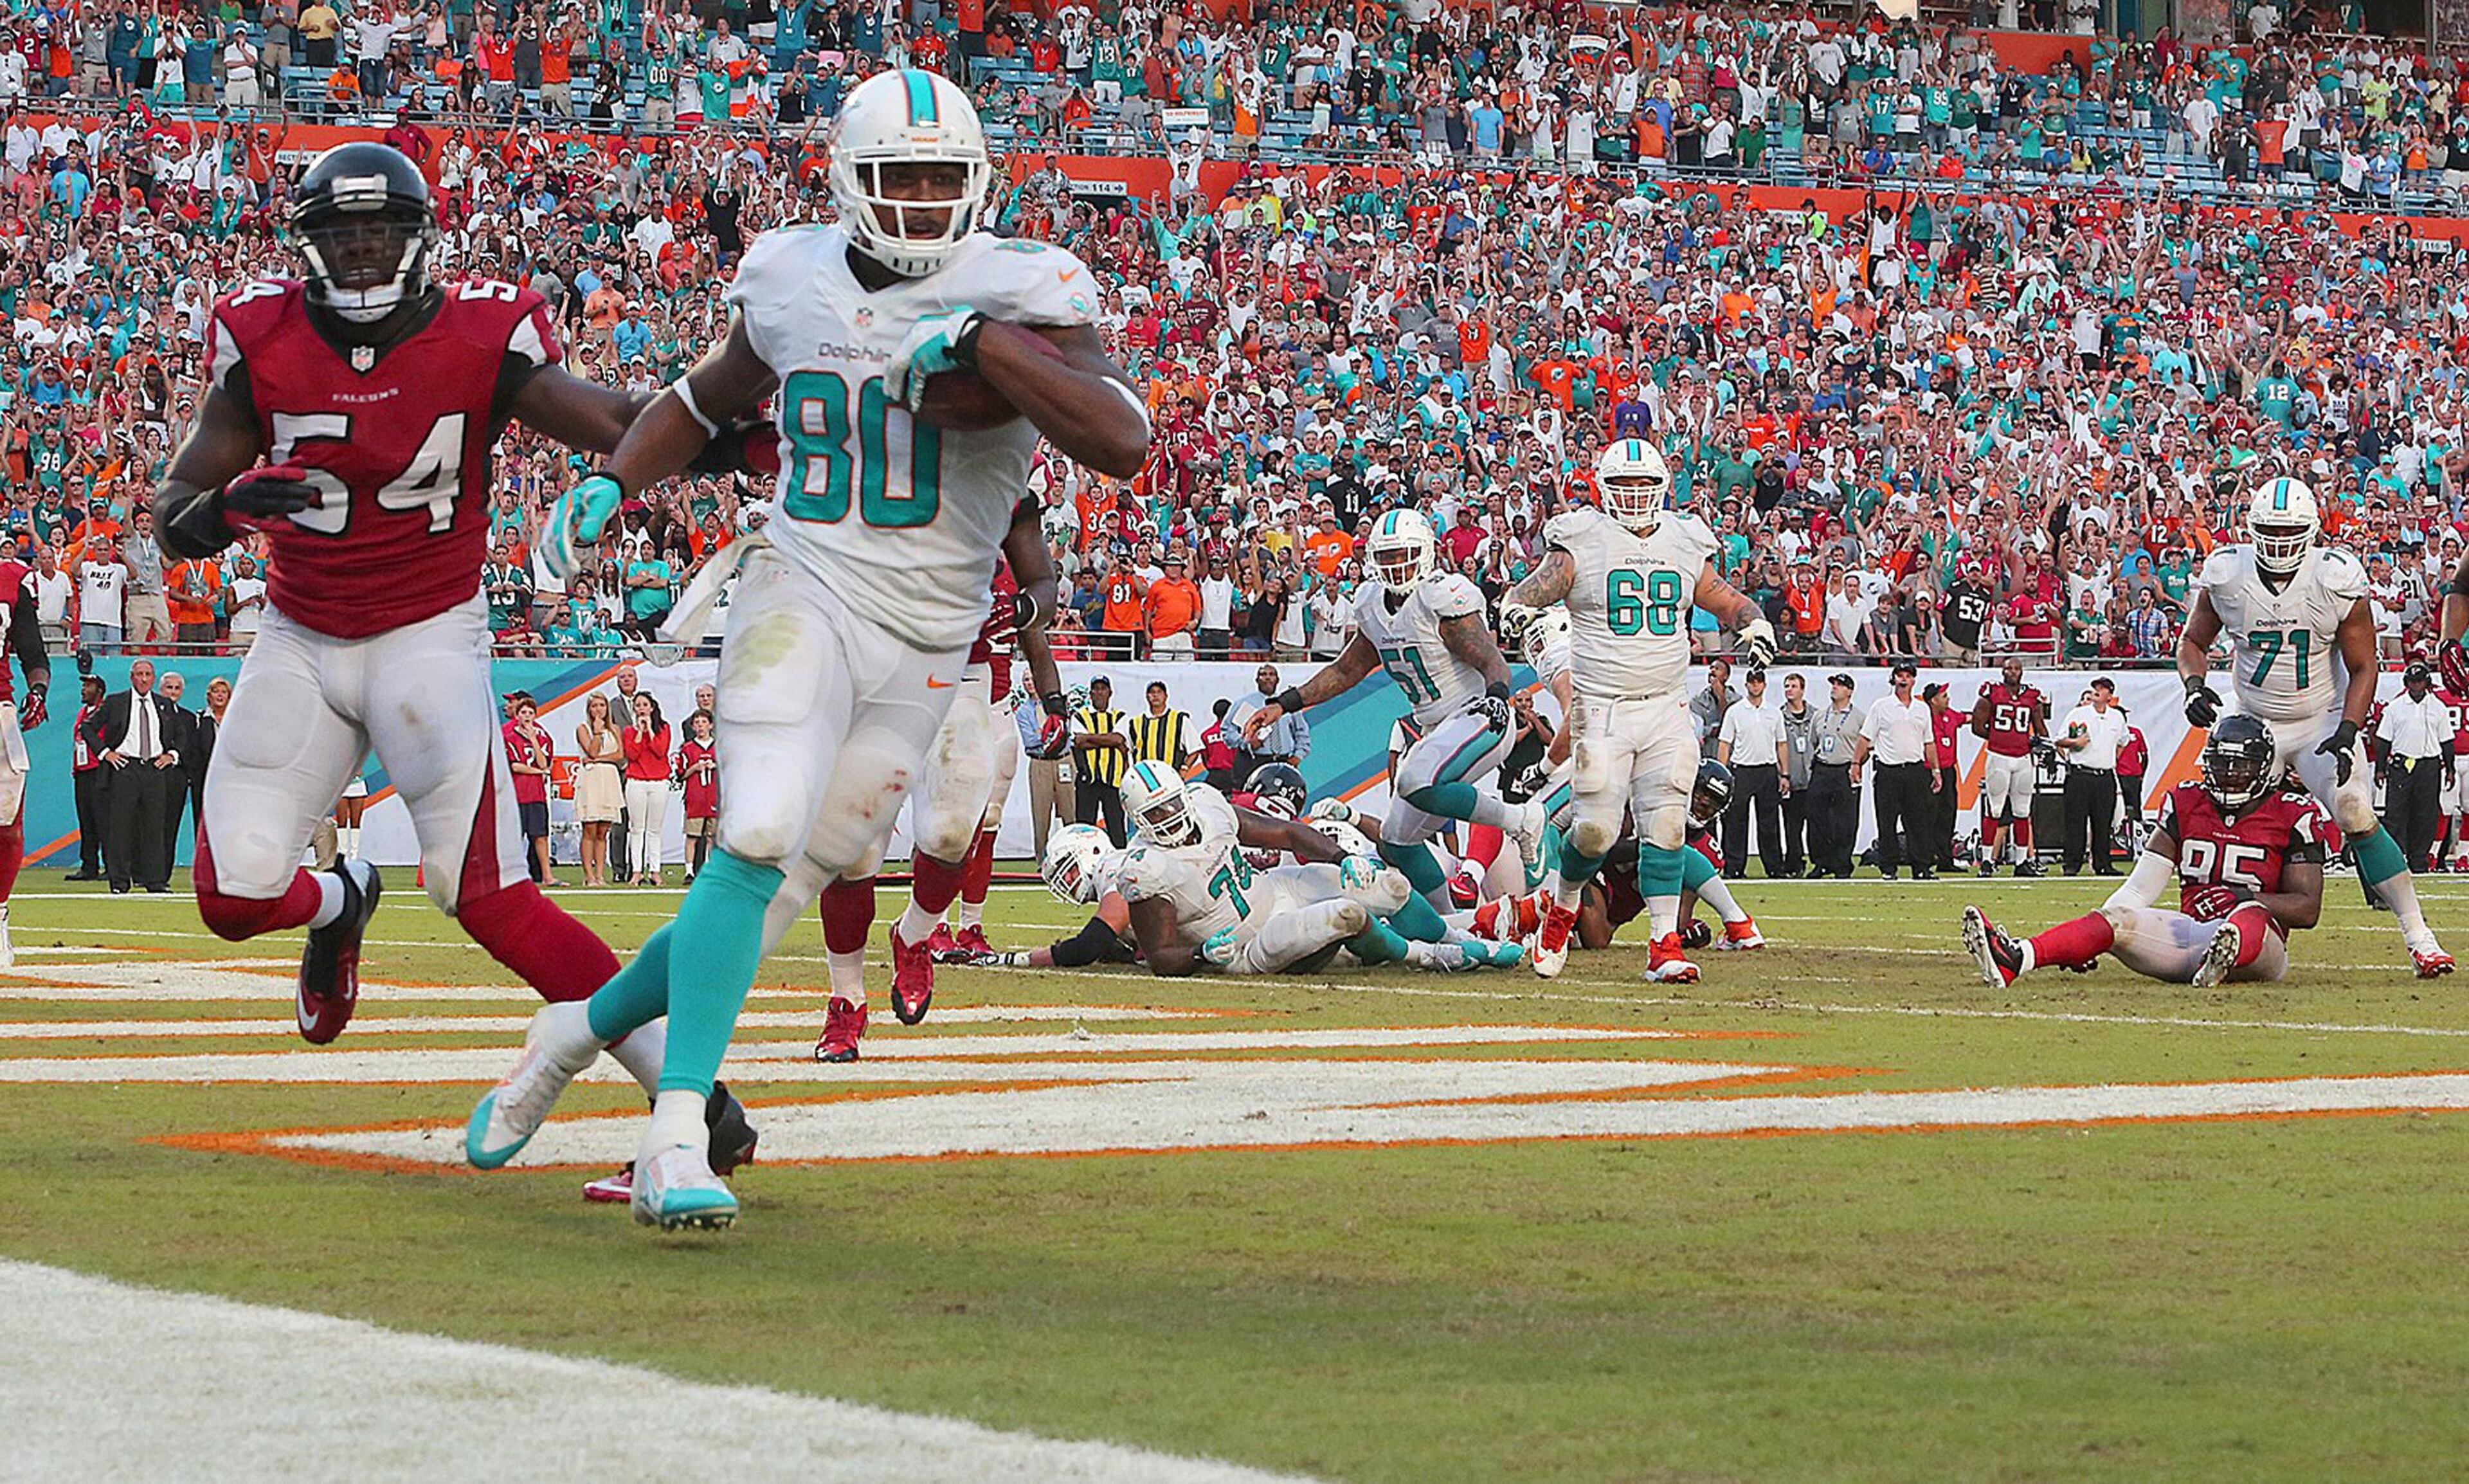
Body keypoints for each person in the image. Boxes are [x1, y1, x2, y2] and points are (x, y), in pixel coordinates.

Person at [465, 68, 1148, 1231]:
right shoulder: (789, 273)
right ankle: (676, 1133)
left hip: (929, 638)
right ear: (849, 183)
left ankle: (570, 1032)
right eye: (902, 177)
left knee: (780, 888)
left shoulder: (1027, 288)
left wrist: (983, 343)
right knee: (758, 827)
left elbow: (1122, 435)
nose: (927, 200)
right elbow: (703, 392)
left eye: (945, 177)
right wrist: (614, 476)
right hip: (806, 583)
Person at [150, 141, 759, 1192]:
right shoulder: (264, 340)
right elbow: (172, 513)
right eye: (338, 238)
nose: (358, 255)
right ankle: (340, 903)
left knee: (486, 895)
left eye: (375, 234)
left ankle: (700, 1106)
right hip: (299, 632)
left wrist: (736, 444)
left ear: (417, 239)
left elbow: (613, 421)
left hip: (426, 633)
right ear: (308, 247)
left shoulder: (481, 331)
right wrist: (220, 512)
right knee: (233, 897)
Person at [1500, 440, 1777, 979]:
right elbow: (1539, 586)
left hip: (1666, 706)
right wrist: (1515, 603)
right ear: (1604, 489)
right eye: (1622, 486)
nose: (1632, 497)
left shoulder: (1684, 538)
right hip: (1602, 707)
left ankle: (1663, 946)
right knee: (1596, 833)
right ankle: (1564, 903)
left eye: (1642, 486)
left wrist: (1755, 622)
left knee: (1668, 825)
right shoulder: (1583, 537)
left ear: (1661, 488)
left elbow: (1723, 596)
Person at [2183, 477, 2450, 977]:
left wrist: (2350, 729)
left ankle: (2420, 936)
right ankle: (2194, 928)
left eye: (2289, 532)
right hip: (2253, 720)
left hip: (2319, 718)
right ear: (2252, 528)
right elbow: (2193, 641)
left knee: (2354, 811)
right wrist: (2194, 686)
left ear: (2311, 533)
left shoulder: (2334, 578)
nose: (2279, 543)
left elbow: (2365, 665)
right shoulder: (2228, 573)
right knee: (2212, 821)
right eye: (2269, 531)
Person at [1249, 505, 1551, 938]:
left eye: (1404, 553)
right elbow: (1346, 670)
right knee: (1396, 841)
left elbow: (1490, 657)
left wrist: (1500, 696)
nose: (1395, 564)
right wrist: (1285, 703)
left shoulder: (1441, 597)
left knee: (1412, 778)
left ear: (1426, 552)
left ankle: (1522, 821)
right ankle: (1453, 923)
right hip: (1438, 730)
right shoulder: (1372, 604)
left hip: (1480, 715)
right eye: (1387, 556)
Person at [1964, 717, 2325, 990]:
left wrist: (2243, 897)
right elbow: (2138, 891)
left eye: (2241, 765)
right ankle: (2017, 958)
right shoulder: (2186, 803)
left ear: (2264, 768)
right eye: (2221, 764)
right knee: (2120, 919)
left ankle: (2225, 953)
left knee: (2249, 913)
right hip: (2190, 937)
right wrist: (2096, 937)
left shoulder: (2291, 812)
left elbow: (2307, 910)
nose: (2230, 775)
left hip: (2263, 948)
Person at [96, 659, 178, 895]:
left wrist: (172, 755)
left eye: (148, 674)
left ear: (154, 679)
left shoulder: (163, 704)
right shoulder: (116, 702)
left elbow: (180, 735)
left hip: (154, 769)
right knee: (121, 828)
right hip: (126, 768)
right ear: (132, 677)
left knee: (155, 827)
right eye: (139, 674)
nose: (143, 679)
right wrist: (106, 753)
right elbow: (88, 728)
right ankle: (120, 882)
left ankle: (155, 881)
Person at [1854, 661, 1934, 881]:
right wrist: (1856, 764)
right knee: (1887, 821)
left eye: (1908, 676)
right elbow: (1865, 737)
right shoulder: (1881, 706)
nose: (1904, 680)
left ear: (1914, 680)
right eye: (1900, 675)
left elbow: (1929, 742)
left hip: (1915, 769)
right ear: (1894, 679)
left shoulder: (1922, 709)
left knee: (1918, 821)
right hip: (1888, 770)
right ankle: (1888, 868)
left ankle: (1921, 867)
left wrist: (1935, 770)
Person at [1969, 656, 2047, 877]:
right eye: (2008, 669)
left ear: (2022, 672)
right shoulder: (1992, 692)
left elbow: (2040, 727)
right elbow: (1977, 726)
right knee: (1994, 810)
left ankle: (2022, 861)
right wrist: (2001, 738)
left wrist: (2043, 746)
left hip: (2023, 759)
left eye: (2016, 668)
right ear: (2002, 672)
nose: (2013, 672)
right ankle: (1986, 860)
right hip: (1999, 756)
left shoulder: (2033, 695)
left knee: (2022, 812)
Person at [2374, 660, 2453, 874]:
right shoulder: (2395, 708)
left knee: (2426, 814)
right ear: (2406, 683)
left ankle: (2419, 861)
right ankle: (2396, 859)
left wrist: (2451, 769)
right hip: (2402, 765)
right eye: (2412, 682)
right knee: (2396, 813)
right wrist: (2380, 768)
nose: (2416, 687)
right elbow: (2384, 740)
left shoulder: (2438, 708)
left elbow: (2447, 741)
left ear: (2427, 683)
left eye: (2419, 682)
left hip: (2429, 765)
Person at [1714, 666, 1786, 879]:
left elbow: (1781, 744)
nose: (1755, 685)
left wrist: (1785, 774)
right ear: (1746, 685)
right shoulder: (1735, 711)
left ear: (1764, 685)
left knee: (1769, 823)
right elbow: (1725, 744)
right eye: (1752, 682)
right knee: (1736, 822)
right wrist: (1722, 772)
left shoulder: (1774, 712)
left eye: (1759, 681)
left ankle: (1774, 867)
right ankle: (1734, 867)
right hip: (1742, 770)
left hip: (1767, 769)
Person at [2058, 678, 2129, 875]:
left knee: (2103, 822)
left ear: (2110, 696)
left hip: (2104, 775)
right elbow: (2060, 739)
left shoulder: (2116, 717)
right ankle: (2072, 864)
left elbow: (2124, 741)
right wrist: (2075, 744)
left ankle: (2103, 863)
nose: (2097, 691)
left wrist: (2110, 759)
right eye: (2095, 688)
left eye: (2102, 689)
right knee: (2075, 822)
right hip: (2080, 773)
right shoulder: (2079, 714)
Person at [1805, 673, 1862, 878]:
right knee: (1817, 817)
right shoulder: (1820, 715)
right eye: (1834, 684)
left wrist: (1856, 765)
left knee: (1845, 820)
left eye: (1840, 685)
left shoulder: (1858, 717)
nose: (1835, 688)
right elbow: (1813, 741)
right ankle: (1821, 862)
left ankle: (1842, 863)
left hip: (1845, 768)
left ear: (1849, 691)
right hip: (1823, 767)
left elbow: (1865, 746)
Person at [501, 692, 557, 885]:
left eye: (530, 712)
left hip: (536, 794)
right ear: (517, 716)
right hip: (517, 793)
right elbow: (516, 766)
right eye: (523, 712)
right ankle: (510, 876)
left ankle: (547, 876)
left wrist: (533, 739)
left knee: (540, 836)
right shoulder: (510, 737)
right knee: (515, 837)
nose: (526, 716)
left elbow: (545, 764)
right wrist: (538, 772)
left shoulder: (543, 737)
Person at [1225, 662, 1309, 786]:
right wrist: (1246, 743)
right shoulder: (1245, 703)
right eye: (1263, 675)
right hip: (1254, 760)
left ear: (1278, 680)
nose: (1268, 678)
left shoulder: (1287, 705)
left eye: (1272, 674)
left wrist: (1298, 756)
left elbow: (1301, 732)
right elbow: (1227, 731)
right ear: (1257, 680)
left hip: (1283, 761)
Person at [1072, 675, 1132, 844]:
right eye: (1096, 689)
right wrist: (1109, 740)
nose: (1099, 693)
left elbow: (1119, 739)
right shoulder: (1080, 716)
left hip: (1113, 779)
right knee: (1084, 826)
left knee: (1116, 826)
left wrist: (1090, 739)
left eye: (1103, 689)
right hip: (1088, 777)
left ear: (1110, 692)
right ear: (1090, 694)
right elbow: (1079, 742)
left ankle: (1120, 861)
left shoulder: (1120, 716)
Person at [572, 692, 624, 887]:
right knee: (590, 828)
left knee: (604, 830)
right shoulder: (583, 729)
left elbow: (619, 754)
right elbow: (591, 751)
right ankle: (589, 876)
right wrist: (597, 732)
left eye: (602, 705)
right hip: (591, 779)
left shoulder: (615, 729)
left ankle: (601, 875)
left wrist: (599, 759)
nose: (598, 710)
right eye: (594, 706)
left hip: (609, 778)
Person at [620, 693, 671, 886]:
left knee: (654, 830)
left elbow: (660, 751)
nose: (641, 708)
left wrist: (649, 730)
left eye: (644, 705)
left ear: (652, 708)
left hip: (659, 782)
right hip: (636, 781)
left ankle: (655, 870)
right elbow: (632, 754)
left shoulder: (664, 728)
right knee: (636, 829)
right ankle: (636, 871)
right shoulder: (628, 731)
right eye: (638, 705)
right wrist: (640, 733)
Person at [1777, 671, 1815, 877]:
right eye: (1787, 686)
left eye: (1793, 686)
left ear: (1802, 689)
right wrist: (1783, 774)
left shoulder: (1816, 716)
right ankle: (1794, 863)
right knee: (1792, 826)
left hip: (1811, 779)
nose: (1789, 690)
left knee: (1816, 825)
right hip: (1790, 779)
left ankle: (1818, 862)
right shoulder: (1778, 717)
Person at [69, 674, 107, 882]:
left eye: (88, 686)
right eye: (83, 685)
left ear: (99, 690)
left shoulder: (105, 712)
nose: (84, 689)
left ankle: (111, 865)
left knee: (103, 821)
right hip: (82, 772)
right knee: (86, 820)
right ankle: (89, 865)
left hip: (98, 771)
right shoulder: (82, 713)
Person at [677, 709, 718, 882]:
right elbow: (680, 774)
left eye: (704, 722)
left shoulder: (719, 747)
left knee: (712, 836)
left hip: (714, 797)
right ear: (693, 726)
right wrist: (695, 768)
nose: (701, 726)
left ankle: (710, 869)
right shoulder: (688, 749)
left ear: (711, 725)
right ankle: (690, 871)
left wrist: (714, 766)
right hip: (695, 798)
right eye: (697, 723)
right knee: (692, 835)